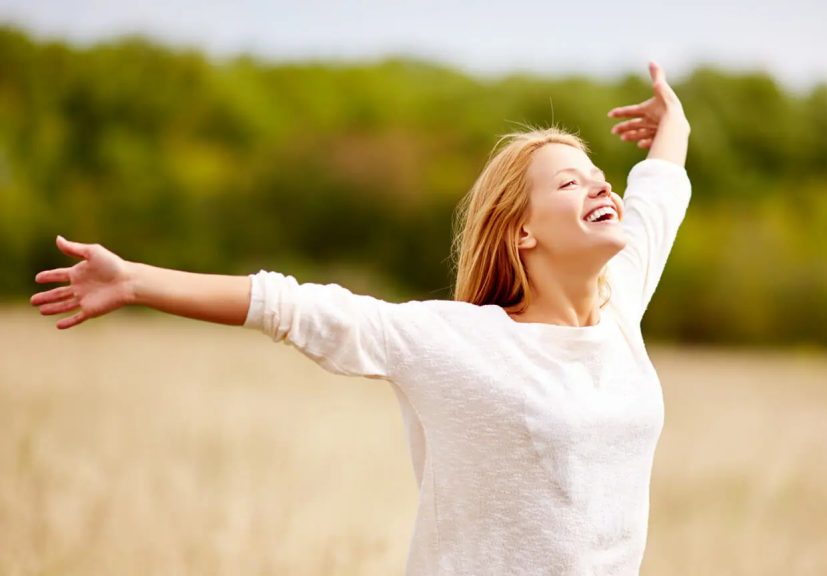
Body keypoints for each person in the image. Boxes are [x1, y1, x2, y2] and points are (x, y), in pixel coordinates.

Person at [30, 60, 692, 575]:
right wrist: (137, 280)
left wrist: (674, 122)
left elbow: (657, 190)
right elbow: (296, 306)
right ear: (521, 233)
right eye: (570, 183)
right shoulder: (461, 342)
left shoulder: (621, 304)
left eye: (599, 174)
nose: (603, 185)